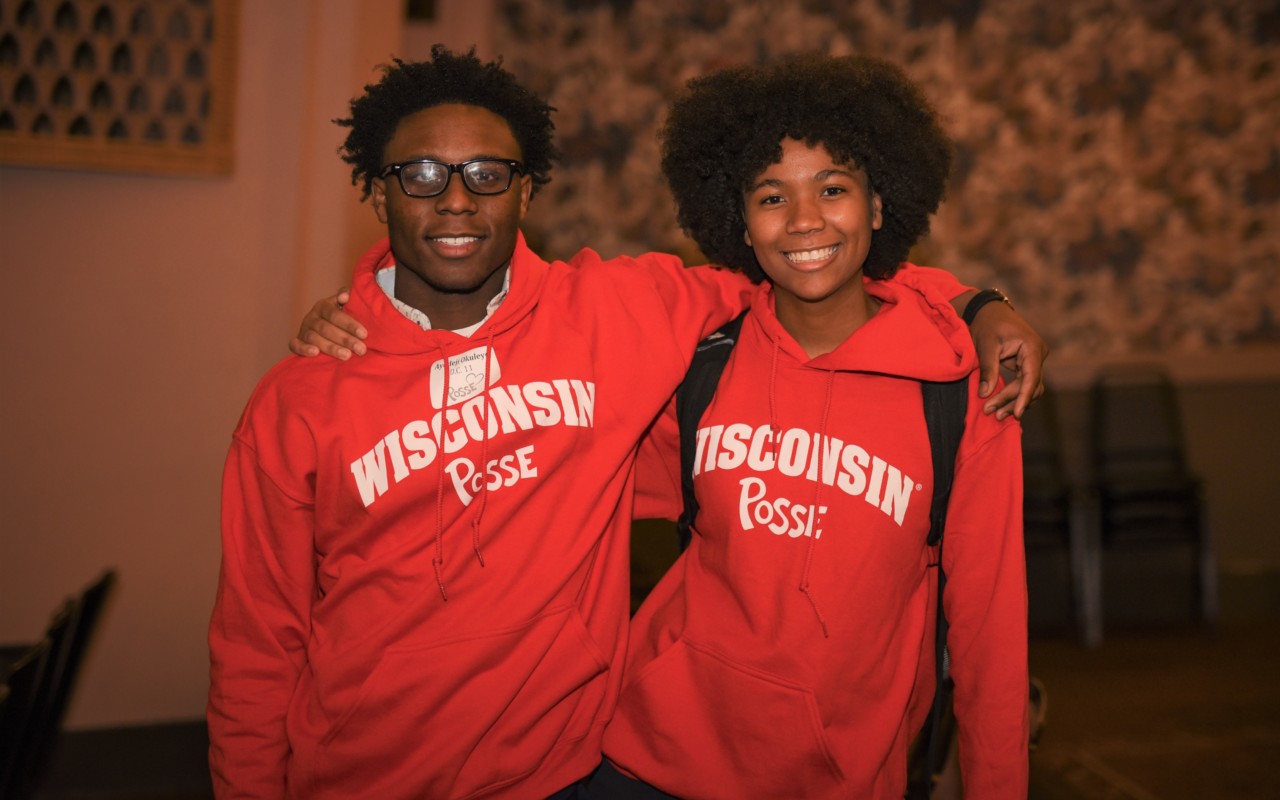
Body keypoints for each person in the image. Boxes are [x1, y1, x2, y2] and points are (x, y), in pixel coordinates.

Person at [224, 47, 1043, 799]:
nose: (458, 198)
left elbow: (815, 267)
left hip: (562, 769)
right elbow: (255, 650)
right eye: (423, 175)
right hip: (392, 777)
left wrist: (973, 302)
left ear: (526, 188)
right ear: (376, 191)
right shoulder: (303, 396)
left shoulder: (621, 312)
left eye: (485, 172)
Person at [588, 55, 1029, 799]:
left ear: (879, 205)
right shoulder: (701, 370)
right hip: (650, 762)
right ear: (740, 222)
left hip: (842, 777)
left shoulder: (959, 395)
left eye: (832, 189)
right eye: (771, 196)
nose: (803, 221)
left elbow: (990, 635)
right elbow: (558, 500)